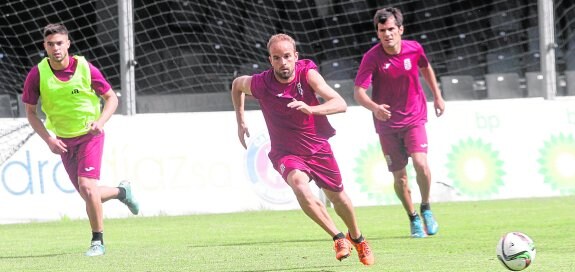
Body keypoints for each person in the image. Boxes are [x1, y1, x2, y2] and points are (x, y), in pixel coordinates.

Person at [231, 33, 374, 265]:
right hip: (286, 152)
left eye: (287, 56)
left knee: (340, 199)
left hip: (318, 148)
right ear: (270, 60)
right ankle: (337, 237)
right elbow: (237, 85)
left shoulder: (307, 74)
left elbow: (340, 103)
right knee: (299, 184)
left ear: (295, 56)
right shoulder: (261, 83)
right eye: (277, 58)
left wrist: (311, 109)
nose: (283, 62)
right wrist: (240, 120)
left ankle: (357, 237)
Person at [22, 23, 140, 256]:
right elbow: (31, 113)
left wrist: (100, 122)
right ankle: (122, 192)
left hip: (90, 137)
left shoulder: (85, 67)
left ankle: (98, 241)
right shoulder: (37, 73)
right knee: (88, 193)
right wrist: (49, 140)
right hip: (63, 142)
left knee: (87, 188)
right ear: (44, 47)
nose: (55, 48)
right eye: (50, 44)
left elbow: (111, 98)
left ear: (68, 43)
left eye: (59, 43)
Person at [354, 7, 445, 238]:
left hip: (414, 117)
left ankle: (426, 207)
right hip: (387, 125)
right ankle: (413, 218)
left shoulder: (414, 49)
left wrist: (437, 95)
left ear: (400, 29)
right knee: (400, 176)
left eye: (391, 29)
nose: (387, 34)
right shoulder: (372, 58)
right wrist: (375, 108)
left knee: (421, 163)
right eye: (382, 30)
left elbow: (425, 67)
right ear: (378, 32)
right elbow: (358, 92)